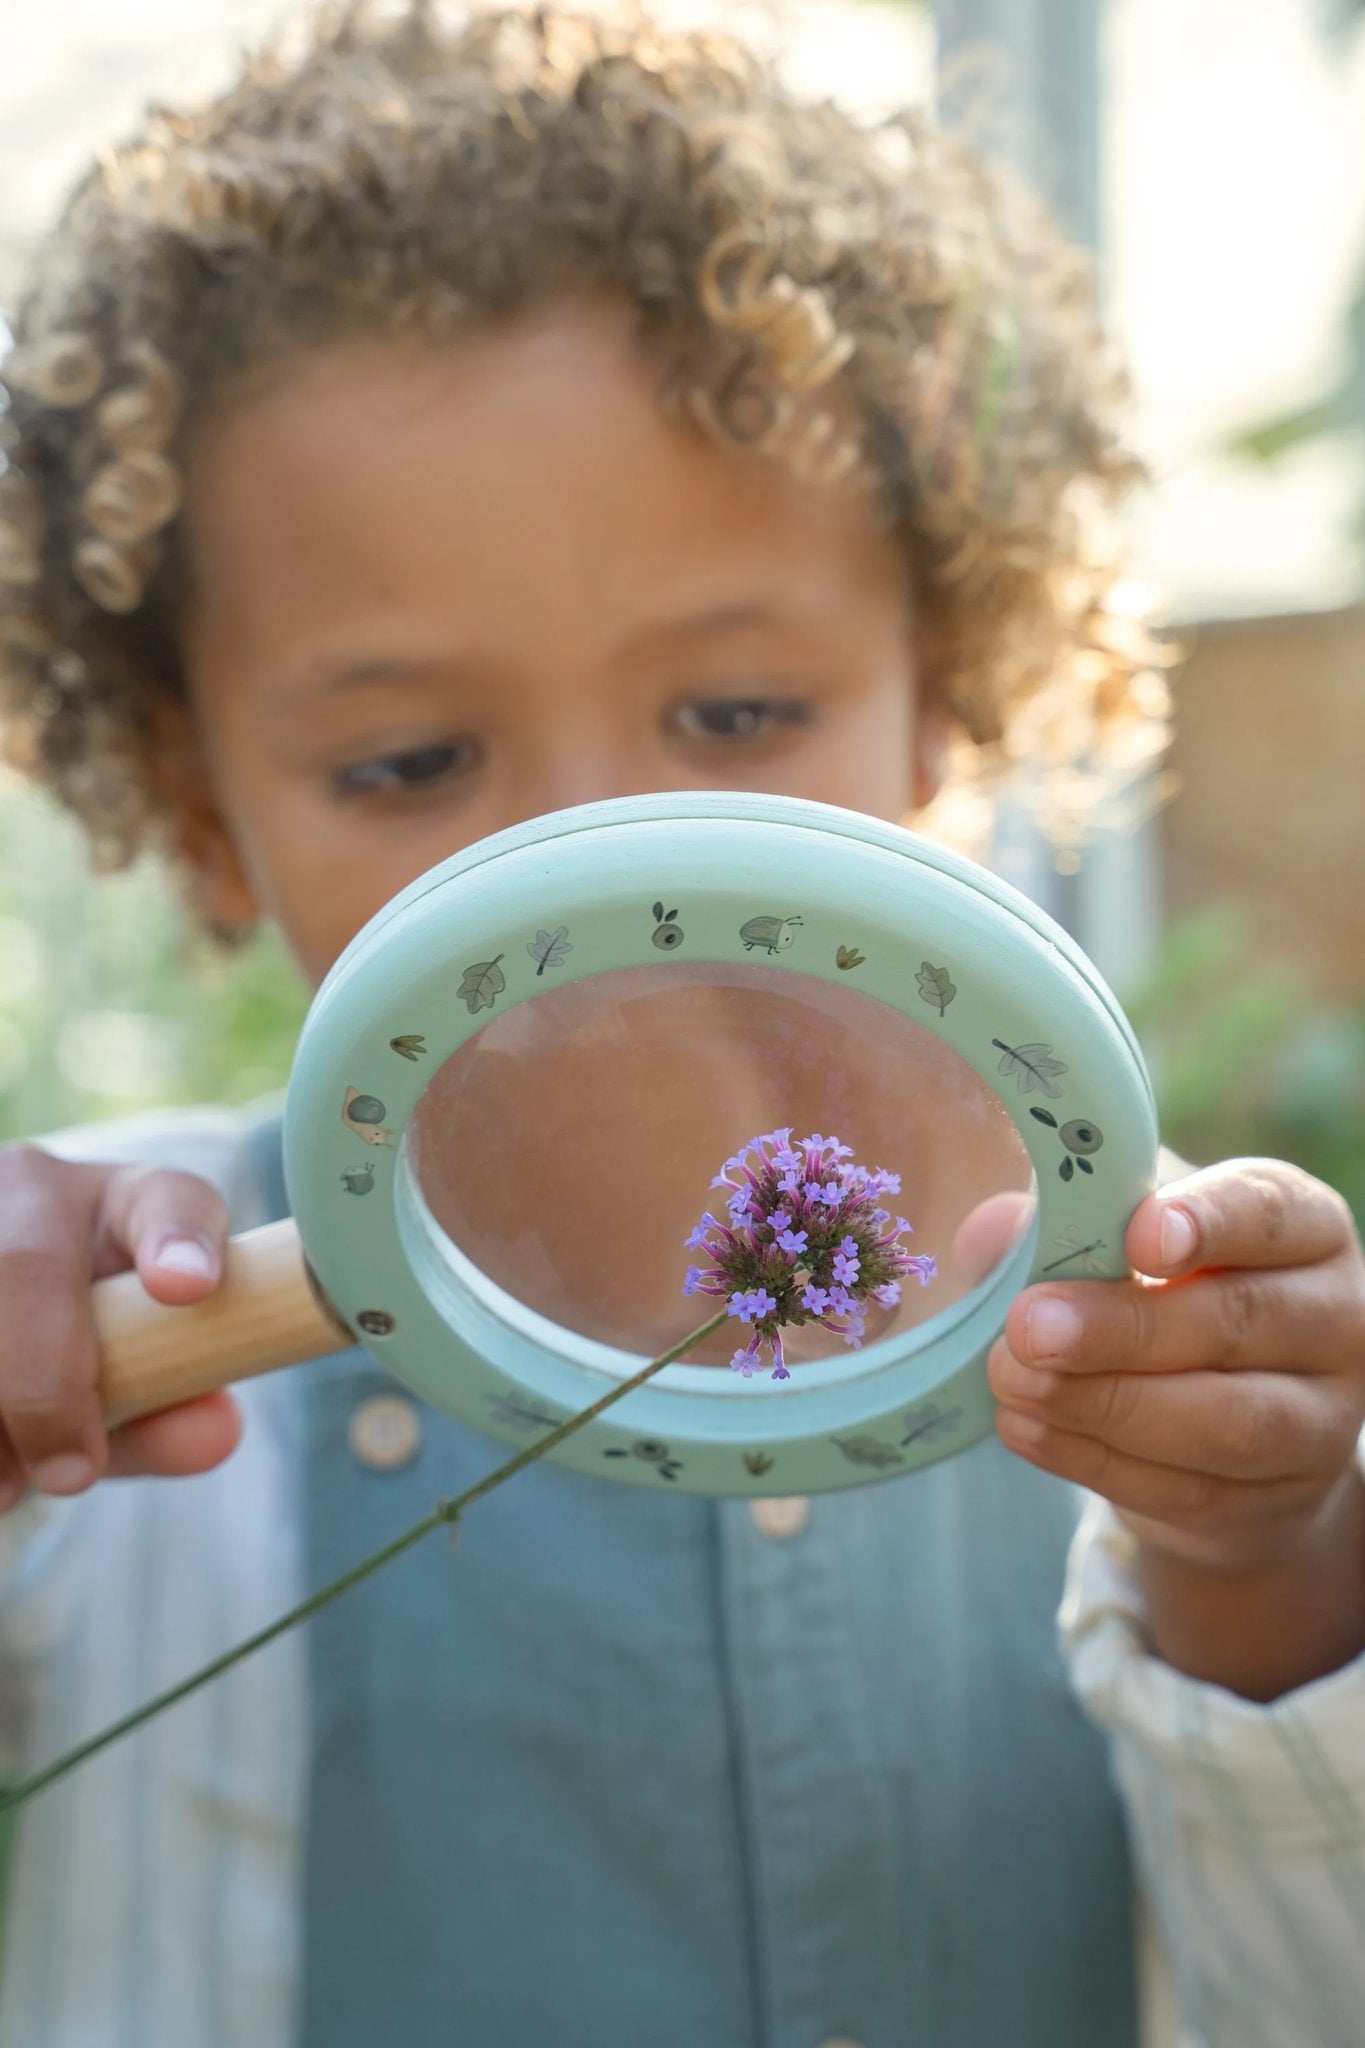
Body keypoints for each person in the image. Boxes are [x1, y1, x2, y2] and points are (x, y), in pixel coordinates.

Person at [0, 5, 1361, 2043]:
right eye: (413, 756)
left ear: (948, 713)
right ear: (203, 819)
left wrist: (1261, 1567)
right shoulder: (125, 1338)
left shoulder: (1139, 1316)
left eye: (731, 717)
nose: (590, 869)